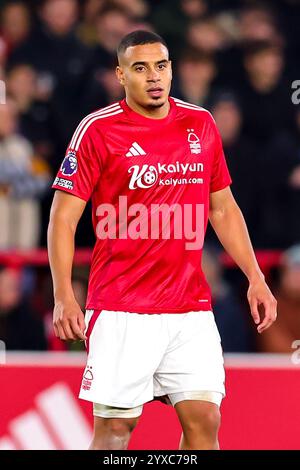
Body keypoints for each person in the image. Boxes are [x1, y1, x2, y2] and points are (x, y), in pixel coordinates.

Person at [48, 30, 277, 450]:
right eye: (140, 67)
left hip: (189, 306)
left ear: (171, 70)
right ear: (121, 75)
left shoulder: (200, 123)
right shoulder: (97, 130)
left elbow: (223, 209)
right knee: (116, 430)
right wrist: (64, 293)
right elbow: (63, 219)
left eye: (161, 65)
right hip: (122, 305)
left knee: (205, 419)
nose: (154, 76)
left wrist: (255, 277)